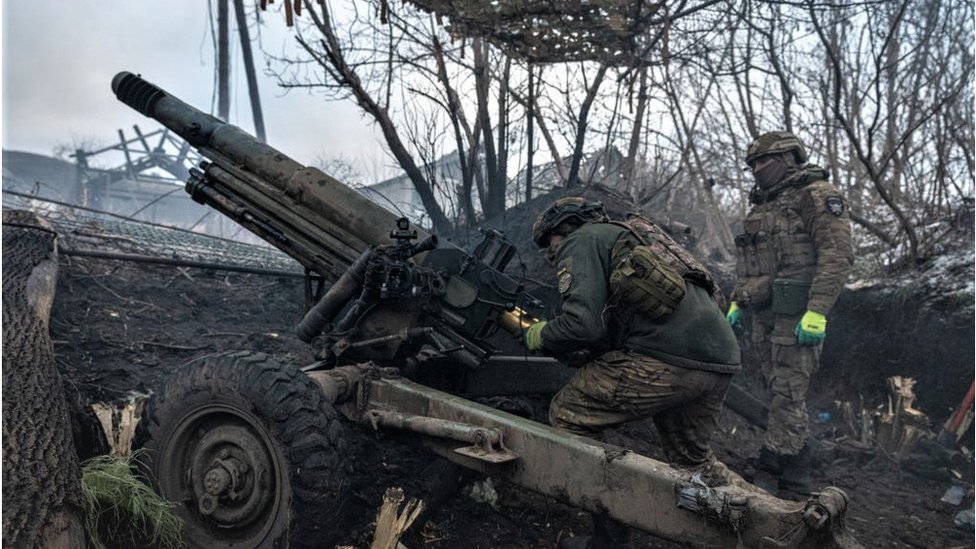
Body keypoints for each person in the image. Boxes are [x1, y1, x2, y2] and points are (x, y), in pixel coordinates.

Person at [525, 197, 751, 549]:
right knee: (693, 460)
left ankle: (609, 540)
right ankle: (768, 523)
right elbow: (615, 324)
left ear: (562, 228)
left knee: (569, 415)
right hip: (718, 360)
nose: (549, 254)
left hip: (667, 359)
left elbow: (582, 325)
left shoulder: (581, 240)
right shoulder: (633, 237)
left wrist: (538, 334)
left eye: (548, 244)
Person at [726, 130, 853, 500]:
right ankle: (795, 476)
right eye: (751, 163)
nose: (756, 169)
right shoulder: (761, 207)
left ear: (788, 158)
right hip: (763, 318)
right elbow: (751, 264)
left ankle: (772, 473)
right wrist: (739, 300)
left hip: (797, 319)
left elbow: (837, 255)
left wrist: (817, 312)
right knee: (777, 392)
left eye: (763, 161)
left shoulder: (816, 196)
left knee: (787, 394)